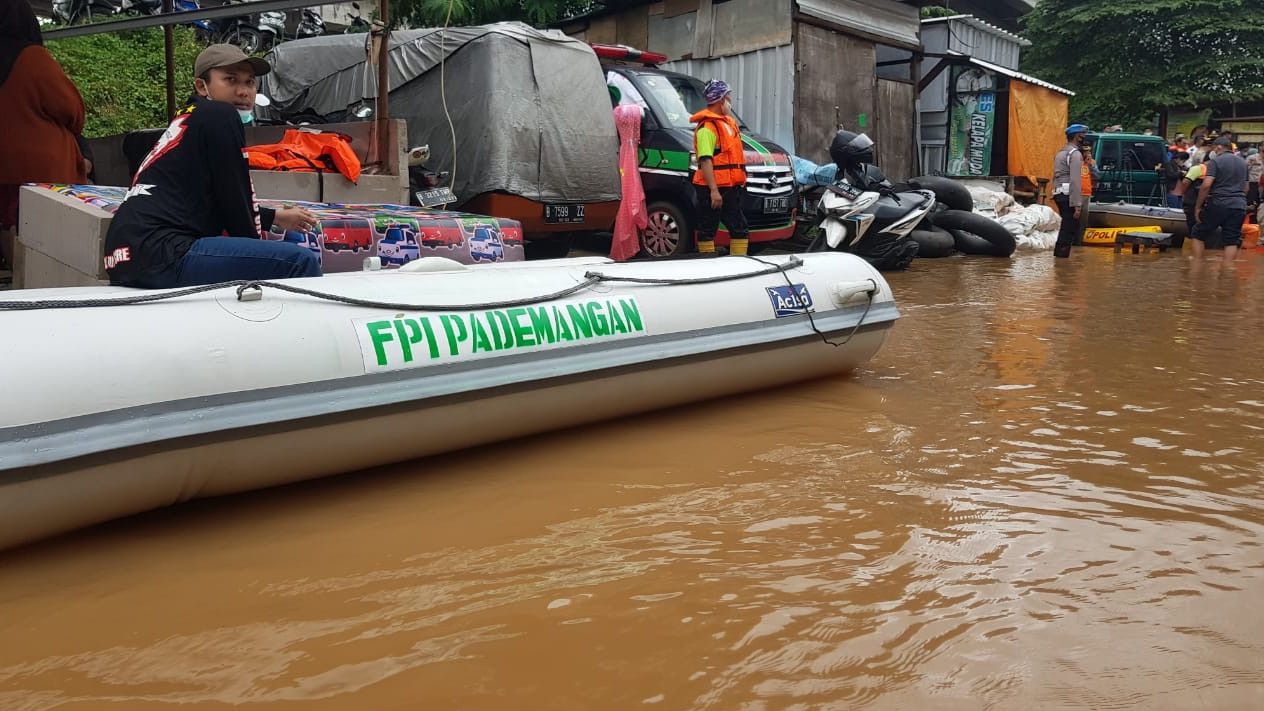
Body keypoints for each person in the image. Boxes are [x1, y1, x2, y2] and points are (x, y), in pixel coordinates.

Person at [103, 44, 321, 288]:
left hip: (125, 256)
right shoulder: (219, 115)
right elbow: (234, 198)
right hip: (163, 251)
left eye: (249, 82)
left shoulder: (187, 120)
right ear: (201, 86)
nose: (243, 91)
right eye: (230, 79)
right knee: (299, 262)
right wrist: (256, 255)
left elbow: (201, 197)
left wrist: (274, 217)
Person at [0, 0, 88, 269]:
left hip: (5, 170)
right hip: (42, 171)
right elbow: (71, 109)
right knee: (43, 238)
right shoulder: (31, 57)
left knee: (9, 224)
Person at [690, 79, 748, 256]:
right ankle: (706, 266)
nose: (730, 100)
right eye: (728, 96)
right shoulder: (706, 129)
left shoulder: (728, 123)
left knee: (739, 228)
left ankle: (739, 265)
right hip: (711, 188)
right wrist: (713, 191)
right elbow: (706, 161)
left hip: (730, 186)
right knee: (708, 228)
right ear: (721, 99)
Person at [1192, 135, 1249, 263]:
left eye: (1214, 149)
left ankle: (1196, 266)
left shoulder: (1216, 161)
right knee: (1231, 240)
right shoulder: (1243, 162)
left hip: (1219, 203)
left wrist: (1198, 207)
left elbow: (1206, 185)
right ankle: (1228, 270)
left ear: (1218, 147)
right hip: (1239, 206)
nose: (1213, 152)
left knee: (1198, 233)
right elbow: (1246, 187)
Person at [1051, 124, 1088, 258]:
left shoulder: (1061, 153)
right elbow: (1075, 180)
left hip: (1058, 193)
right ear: (1078, 136)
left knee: (1065, 226)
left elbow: (1056, 176)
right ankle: (1061, 260)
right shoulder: (1075, 154)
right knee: (1069, 228)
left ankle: (1060, 257)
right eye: (1083, 135)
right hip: (1068, 196)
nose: (1085, 138)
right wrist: (1077, 204)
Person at [1077, 143, 1100, 243]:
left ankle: (1079, 241)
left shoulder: (1092, 163)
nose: (1088, 154)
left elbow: (1097, 176)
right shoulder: (1076, 161)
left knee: (1083, 219)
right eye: (1085, 152)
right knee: (1074, 217)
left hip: (1086, 194)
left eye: (1089, 151)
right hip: (1076, 193)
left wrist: (1090, 165)